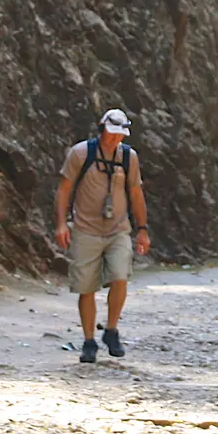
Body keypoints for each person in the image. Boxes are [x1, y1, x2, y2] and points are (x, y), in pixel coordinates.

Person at [53, 108, 151, 362]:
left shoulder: (129, 157)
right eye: (111, 133)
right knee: (86, 287)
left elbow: (136, 193)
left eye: (119, 135)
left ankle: (111, 330)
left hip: (118, 229)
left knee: (120, 276)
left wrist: (142, 229)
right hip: (85, 229)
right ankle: (89, 341)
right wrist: (61, 224)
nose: (114, 139)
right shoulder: (80, 153)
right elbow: (64, 189)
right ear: (101, 129)